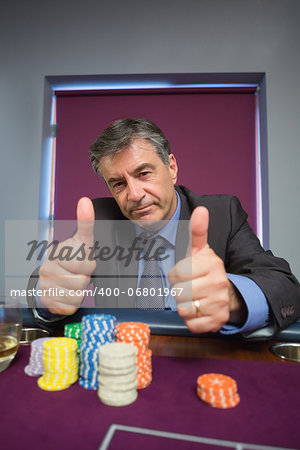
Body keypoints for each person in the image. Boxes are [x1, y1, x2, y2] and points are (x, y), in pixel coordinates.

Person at [28, 118, 300, 338]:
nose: (134, 194)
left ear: (171, 167)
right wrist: (48, 296)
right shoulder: (99, 222)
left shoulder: (222, 214)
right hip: (123, 359)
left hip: (202, 358)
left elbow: (285, 286)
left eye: (144, 173)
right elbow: (46, 281)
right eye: (118, 184)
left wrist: (233, 298)